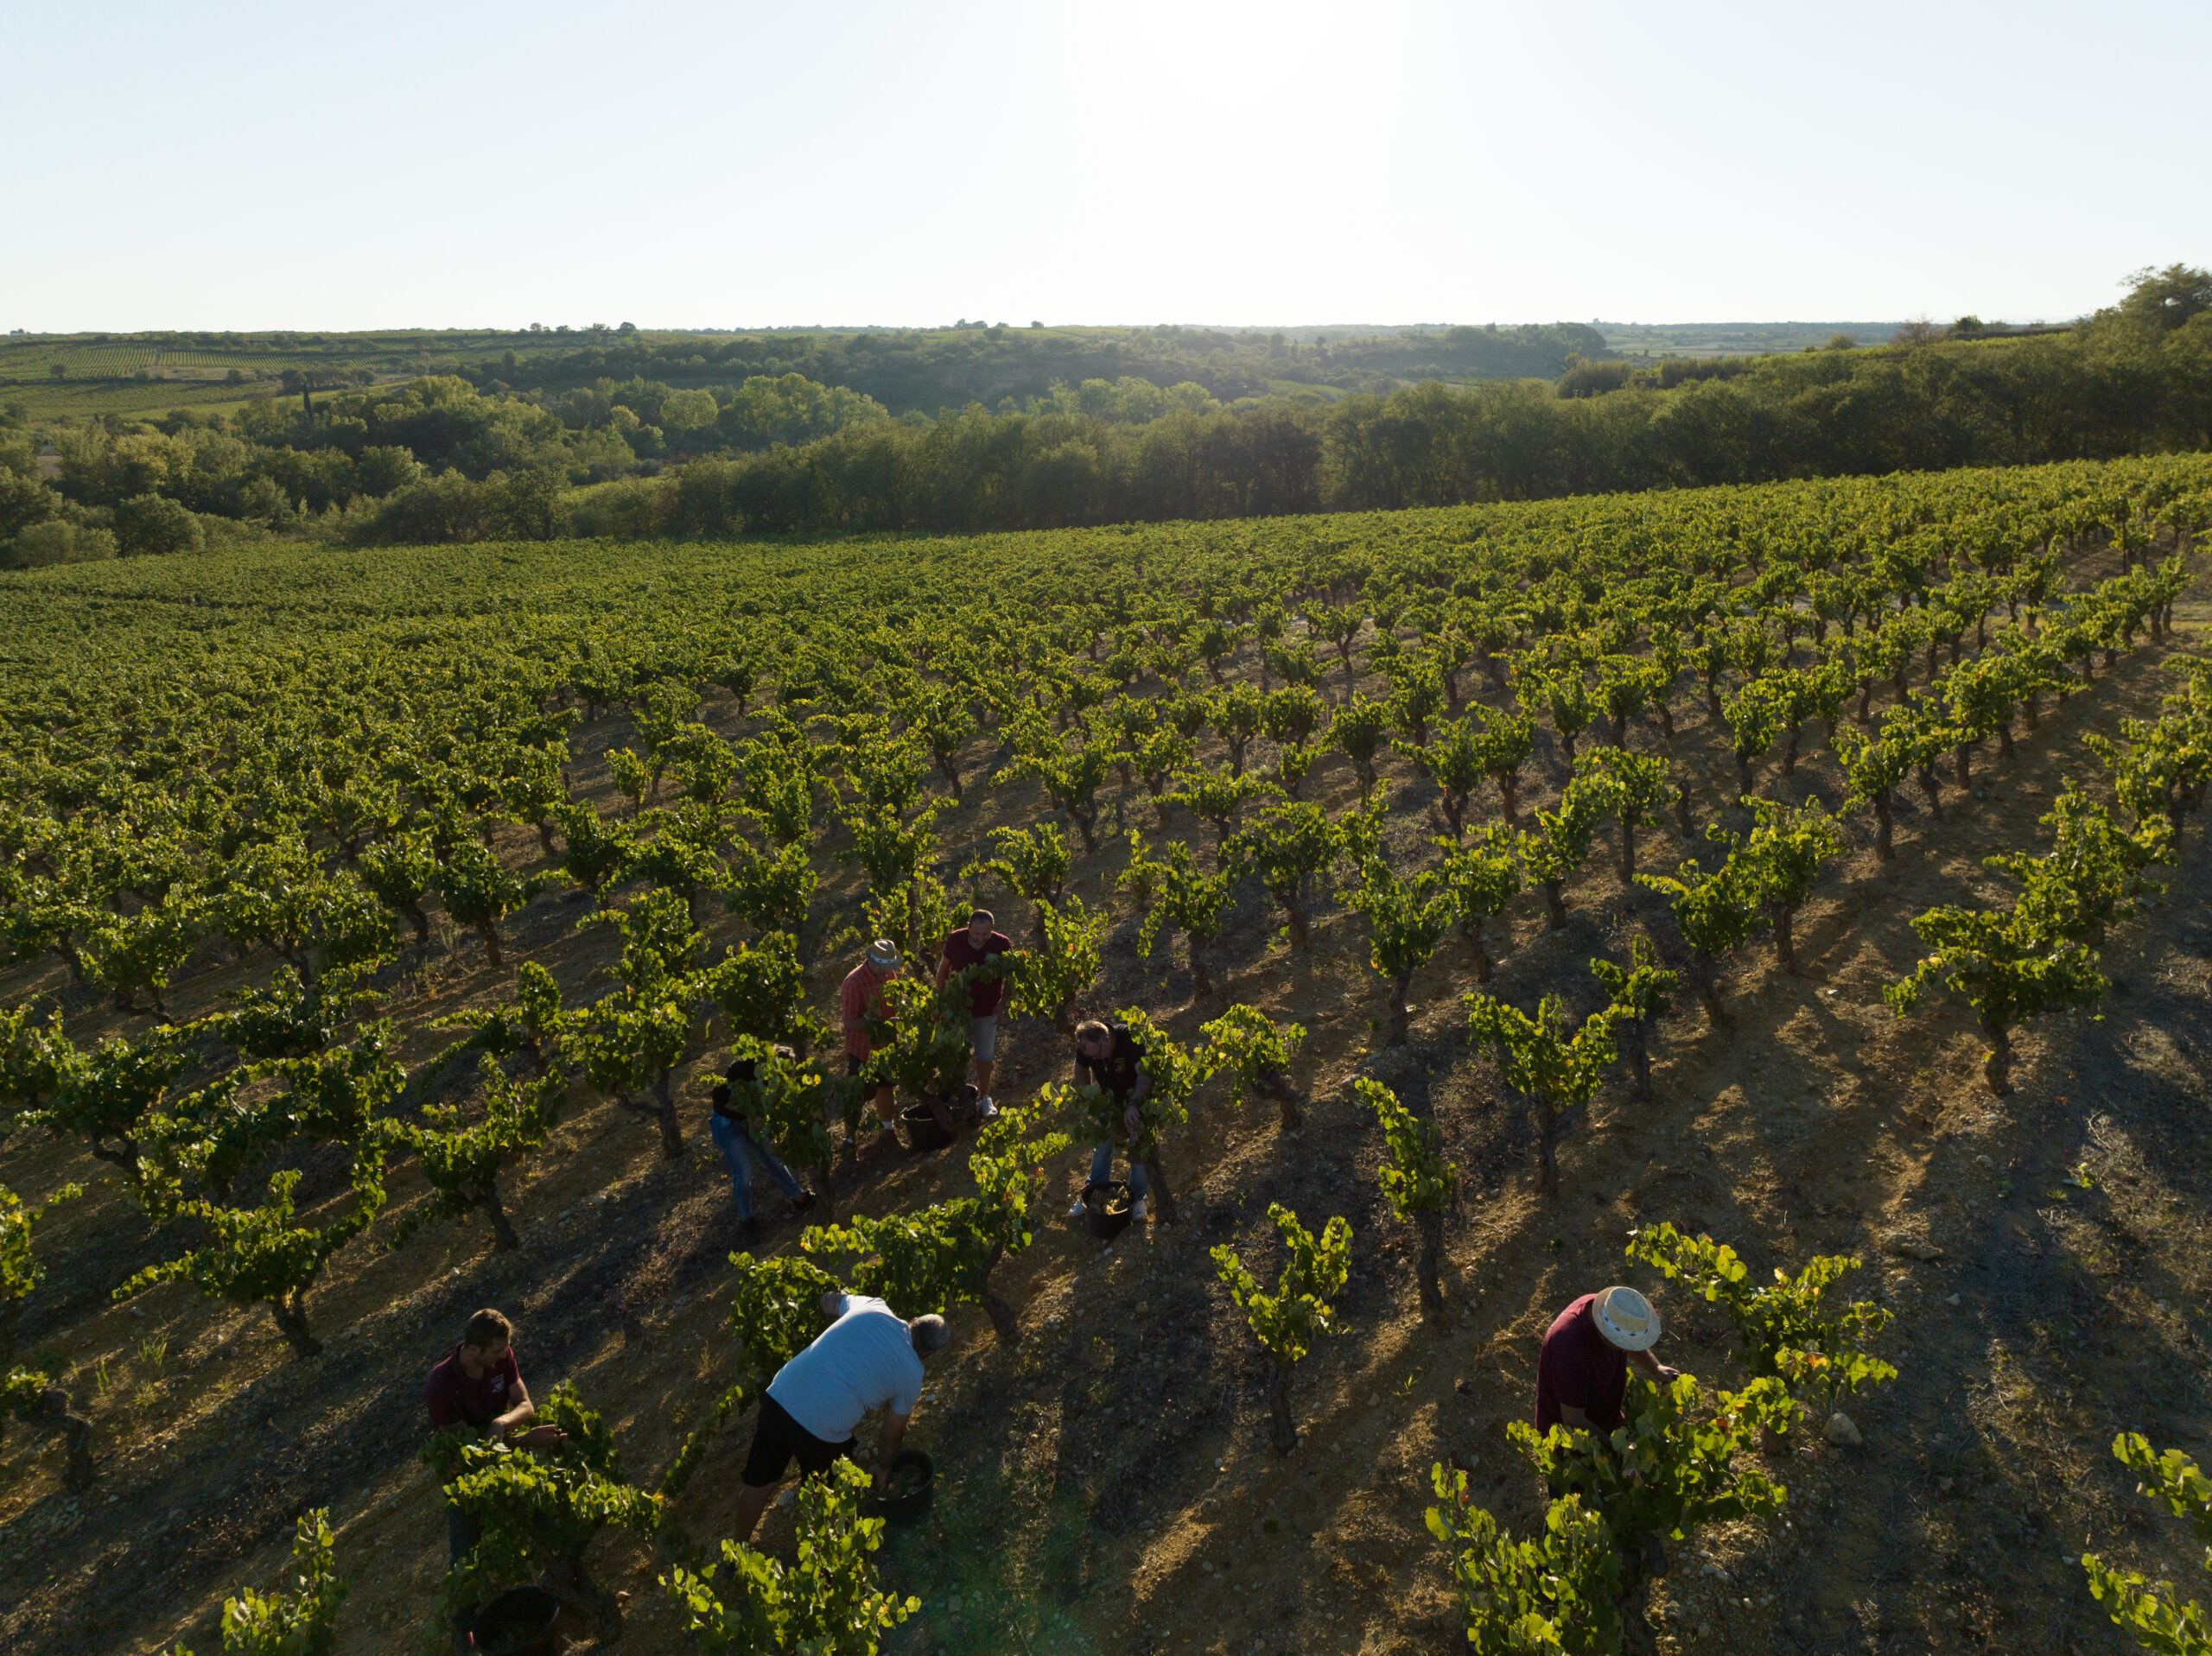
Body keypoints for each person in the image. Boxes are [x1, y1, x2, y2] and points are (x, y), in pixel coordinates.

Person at [730, 1290, 950, 1541]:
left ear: (912, 1320)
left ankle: (734, 1556)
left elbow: (829, 1302)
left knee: (759, 1484)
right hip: (822, 1431)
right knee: (828, 1495)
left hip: (781, 1397)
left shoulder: (873, 1306)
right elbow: (893, 1431)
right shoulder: (912, 1376)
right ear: (930, 1354)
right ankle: (827, 1560)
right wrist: (884, 1466)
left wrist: (831, 1301)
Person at [424, 1309, 564, 1648]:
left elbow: (526, 1406)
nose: (505, 1355)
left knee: (544, 1523)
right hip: (466, 1479)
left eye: (506, 1349)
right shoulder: (441, 1385)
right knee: (464, 1557)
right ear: (474, 1350)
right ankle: (463, 1636)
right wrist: (524, 1440)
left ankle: (569, 1582)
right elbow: (472, 1453)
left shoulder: (502, 1358)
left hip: (507, 1462)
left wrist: (502, 1424)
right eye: (498, 1351)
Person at [1535, 1285, 1680, 1440]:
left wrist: (1656, 1368)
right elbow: (1573, 1420)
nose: (1629, 1348)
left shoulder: (1610, 1309)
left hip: (1603, 1418)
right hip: (1569, 1443)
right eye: (1624, 1343)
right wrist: (1616, 1448)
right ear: (1608, 1333)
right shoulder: (1572, 1350)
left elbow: (1627, 1335)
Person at [710, 1050, 817, 1245]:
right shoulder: (743, 1066)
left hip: (751, 1121)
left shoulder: (773, 1078)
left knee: (772, 1157)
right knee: (744, 1172)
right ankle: (746, 1219)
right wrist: (749, 1113)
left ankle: (798, 1197)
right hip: (727, 1125)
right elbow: (719, 1097)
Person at [1065, 1018, 1153, 1223]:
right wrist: (1089, 1097)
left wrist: (1134, 1104)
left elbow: (1145, 1075)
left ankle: (1139, 1198)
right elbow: (1080, 1068)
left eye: (1096, 1055)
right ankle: (1093, 1188)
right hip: (1109, 1101)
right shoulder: (1086, 1042)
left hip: (1135, 1098)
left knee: (1138, 1148)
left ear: (1106, 1040)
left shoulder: (1130, 1038)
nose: (1094, 1059)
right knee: (1103, 1146)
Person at [935, 906, 1010, 1119]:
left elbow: (1010, 978)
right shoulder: (955, 940)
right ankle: (952, 1095)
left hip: (988, 1010)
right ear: (969, 928)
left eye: (985, 934)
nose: (980, 938)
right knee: (954, 1053)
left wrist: (1002, 1005)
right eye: (976, 934)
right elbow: (943, 970)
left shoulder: (1002, 944)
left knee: (985, 1056)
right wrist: (940, 1004)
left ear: (992, 930)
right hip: (958, 1010)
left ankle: (985, 1097)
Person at [840, 939, 904, 1150]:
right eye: (884, 967)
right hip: (862, 1049)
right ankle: (849, 1139)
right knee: (857, 1095)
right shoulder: (854, 982)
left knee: (886, 1086)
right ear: (871, 961)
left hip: (886, 1045)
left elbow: (895, 1001)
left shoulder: (888, 974)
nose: (888, 971)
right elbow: (850, 1020)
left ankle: (888, 1130)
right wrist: (881, 1025)